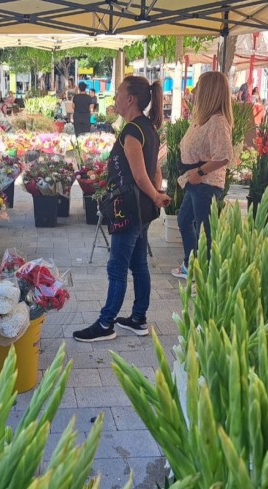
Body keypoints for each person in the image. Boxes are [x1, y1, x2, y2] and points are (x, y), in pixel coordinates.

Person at [73, 76, 170, 343]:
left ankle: (106, 323)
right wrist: (154, 195)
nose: (114, 97)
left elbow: (140, 175)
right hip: (140, 209)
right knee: (139, 265)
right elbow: (156, 170)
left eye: (118, 93)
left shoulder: (132, 131)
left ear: (130, 99)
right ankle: (138, 318)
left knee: (117, 268)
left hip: (128, 209)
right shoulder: (148, 128)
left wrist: (155, 196)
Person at [171, 71, 234, 279]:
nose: (194, 90)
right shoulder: (204, 118)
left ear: (208, 91)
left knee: (204, 231)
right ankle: (192, 265)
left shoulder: (218, 121)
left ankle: (203, 276)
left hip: (206, 183)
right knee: (184, 220)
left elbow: (224, 155)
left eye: (199, 86)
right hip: (195, 182)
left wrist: (199, 172)